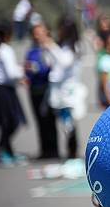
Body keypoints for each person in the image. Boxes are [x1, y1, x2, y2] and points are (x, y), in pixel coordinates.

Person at [45, 17, 86, 160]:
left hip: (70, 91)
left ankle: (73, 152)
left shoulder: (74, 46)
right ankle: (70, 152)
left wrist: (51, 46)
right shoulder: (62, 46)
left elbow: (65, 61)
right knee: (65, 124)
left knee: (70, 123)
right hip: (59, 90)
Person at [25, 23, 59, 159]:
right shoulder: (32, 51)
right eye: (36, 33)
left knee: (50, 120)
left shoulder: (51, 49)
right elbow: (27, 68)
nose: (38, 35)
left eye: (41, 32)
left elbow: (53, 67)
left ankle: (53, 150)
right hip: (34, 90)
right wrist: (27, 72)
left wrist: (39, 68)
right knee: (39, 120)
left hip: (47, 89)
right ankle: (44, 150)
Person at [0, 21, 26, 163]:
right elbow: (12, 73)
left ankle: (7, 151)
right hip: (5, 90)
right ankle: (1, 150)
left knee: (4, 123)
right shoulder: (5, 49)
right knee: (12, 122)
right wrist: (23, 71)